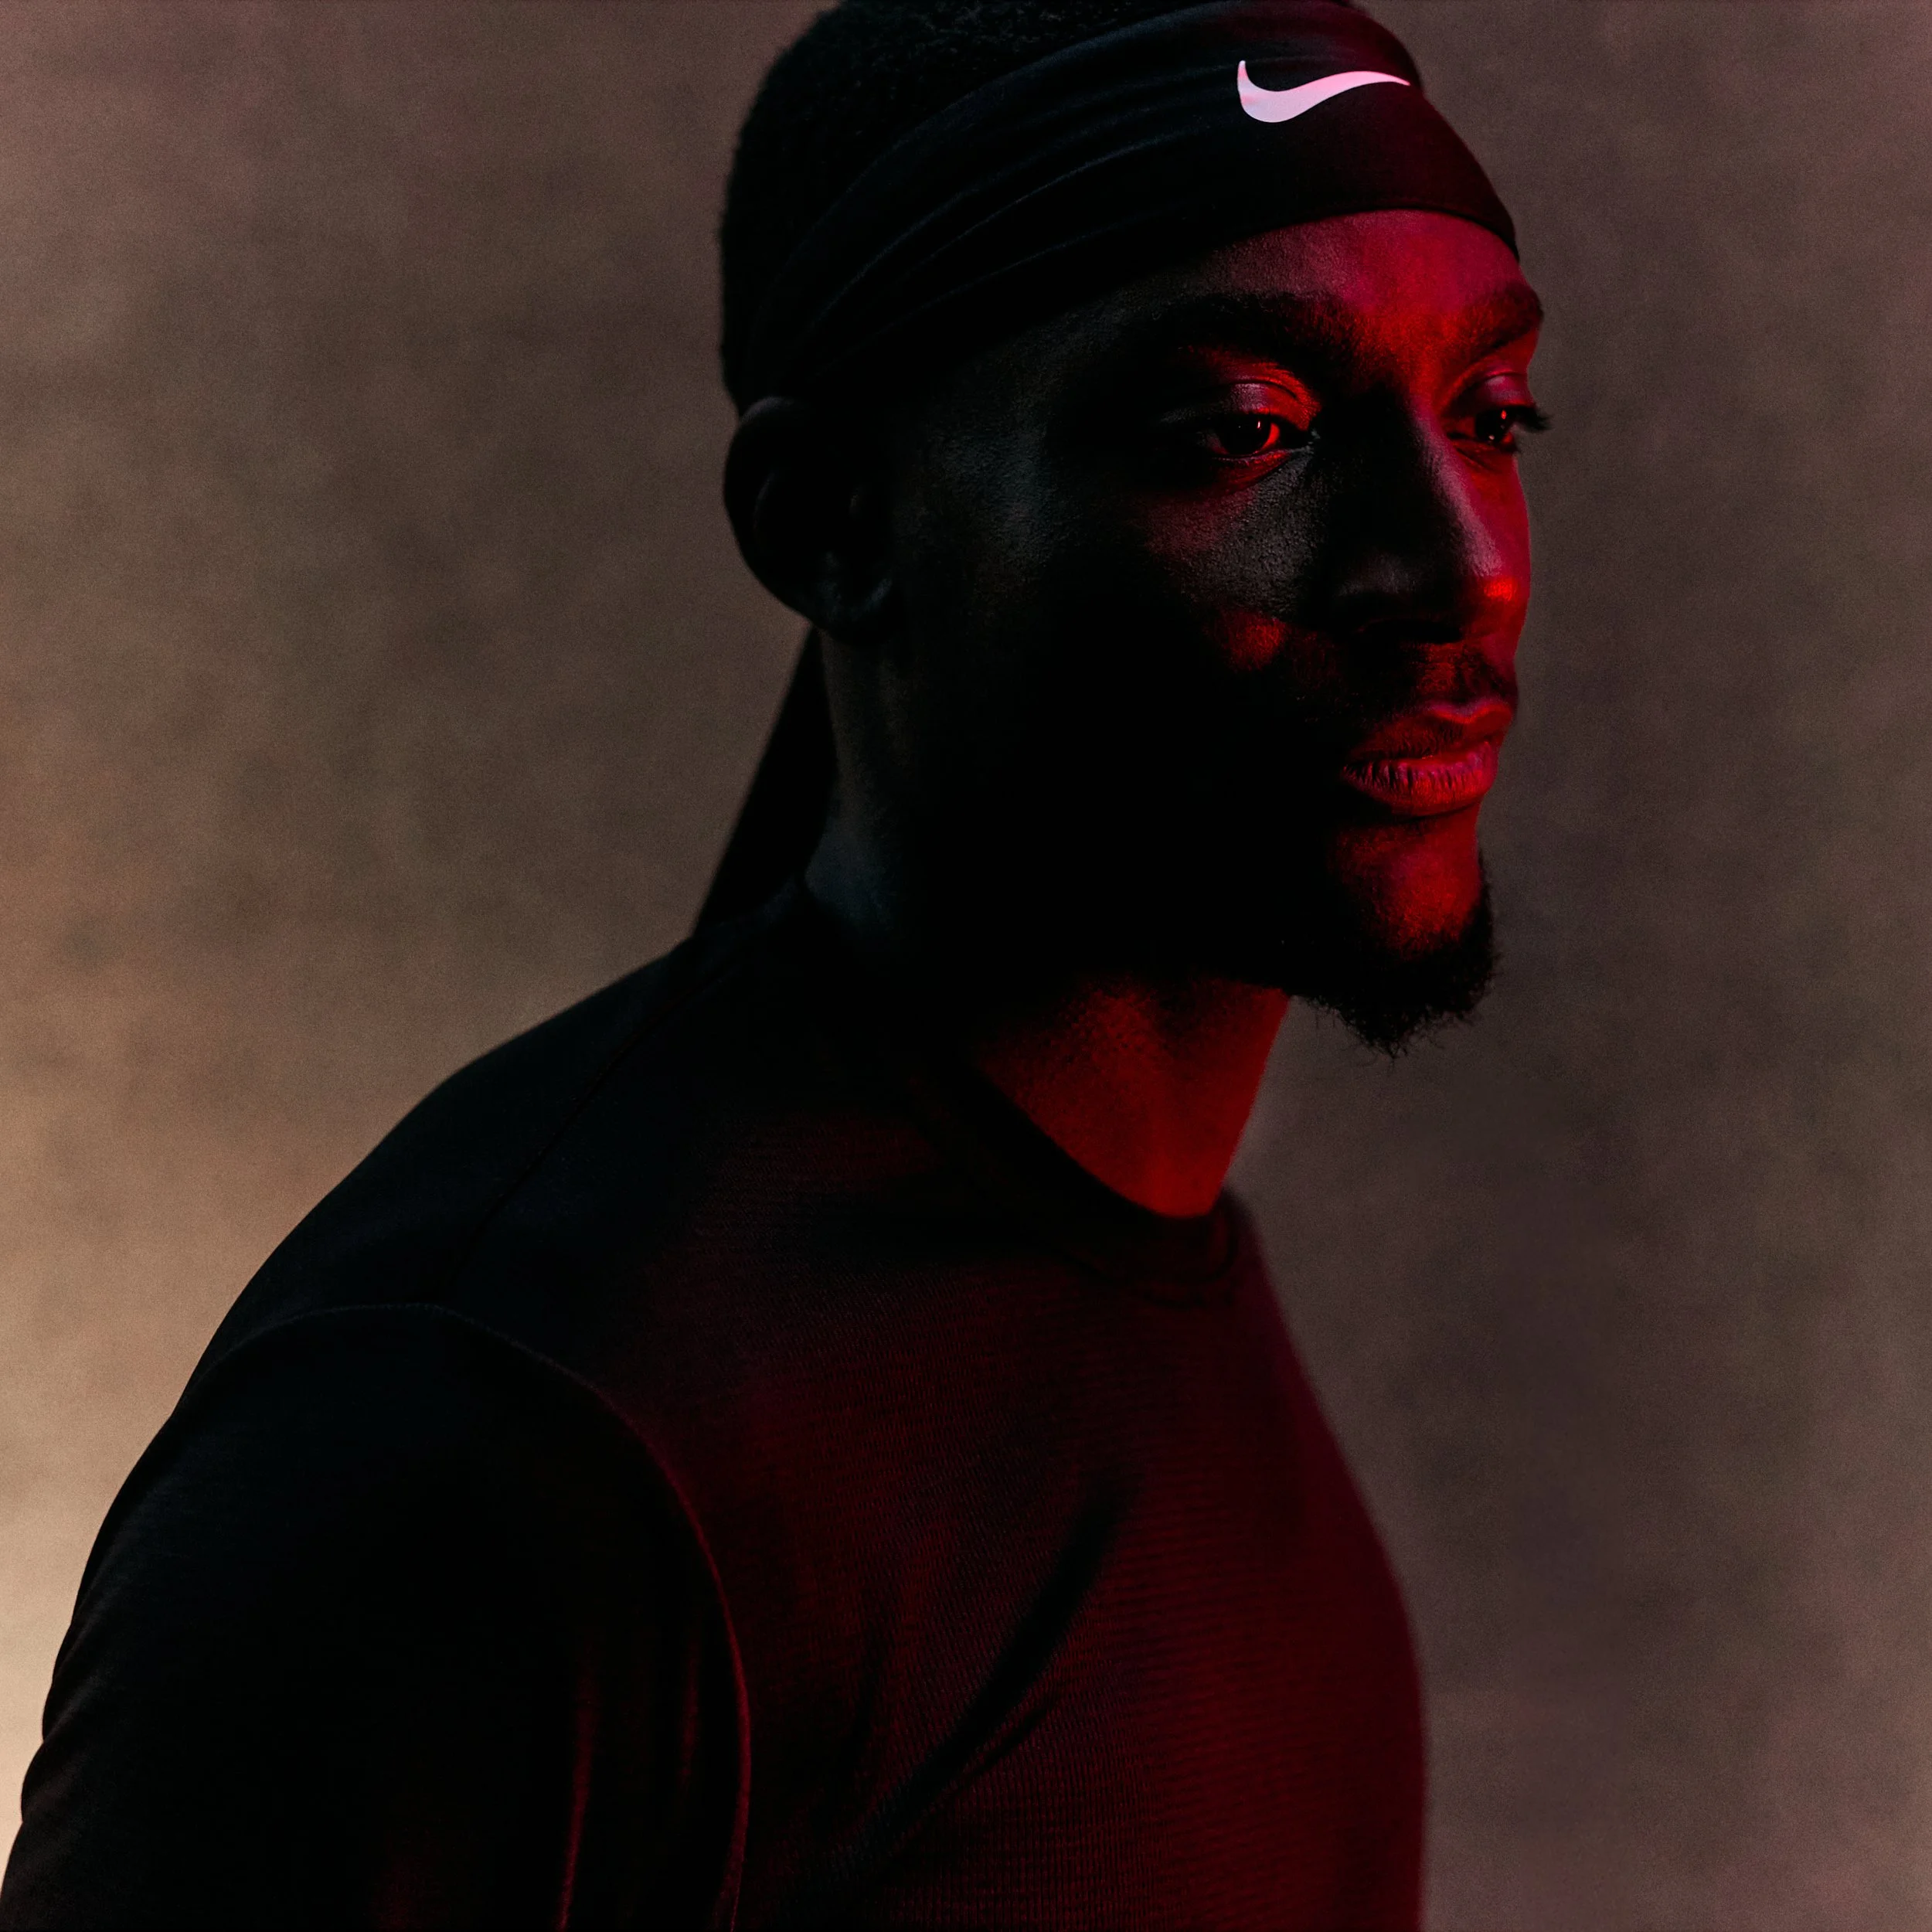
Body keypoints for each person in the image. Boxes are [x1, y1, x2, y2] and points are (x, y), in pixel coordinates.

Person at [0, 2, 1543, 1925]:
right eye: (1245, 429)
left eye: (1490, 413)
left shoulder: (1129, 1261)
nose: (1459, 558)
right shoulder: (505, 1442)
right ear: (830, 523)